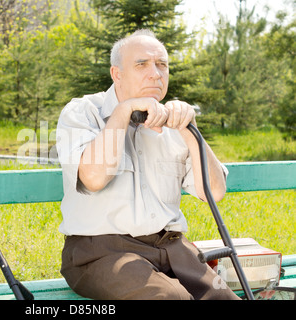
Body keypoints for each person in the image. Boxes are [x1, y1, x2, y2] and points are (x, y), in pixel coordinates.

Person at [55, 29, 240, 300]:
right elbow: (94, 178)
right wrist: (122, 111)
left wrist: (191, 131)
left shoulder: (175, 121)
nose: (155, 73)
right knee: (169, 298)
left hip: (173, 250)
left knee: (223, 298)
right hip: (101, 252)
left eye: (162, 64)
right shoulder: (83, 112)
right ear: (117, 74)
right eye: (142, 64)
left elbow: (213, 193)